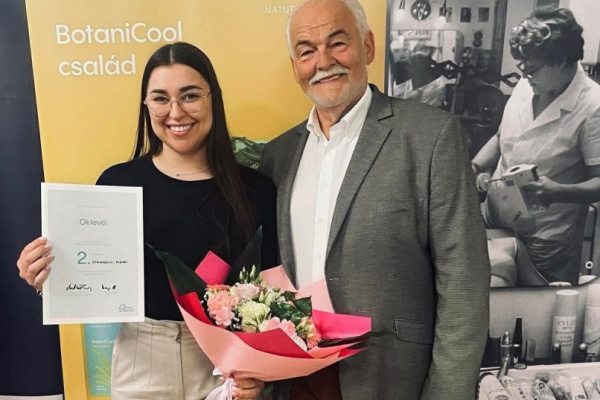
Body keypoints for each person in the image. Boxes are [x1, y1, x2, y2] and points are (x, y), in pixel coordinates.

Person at [16, 42, 277, 400]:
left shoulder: (255, 189)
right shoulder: (118, 184)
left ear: (212, 98)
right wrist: (46, 278)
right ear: (146, 105)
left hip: (227, 367)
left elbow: (274, 293)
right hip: (141, 361)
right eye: (160, 98)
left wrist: (261, 371)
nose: (175, 112)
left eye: (190, 95)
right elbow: (91, 280)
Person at [260, 0, 490, 399]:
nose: (323, 61)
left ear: (367, 46)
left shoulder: (429, 136)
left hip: (391, 378)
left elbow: (464, 283)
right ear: (295, 67)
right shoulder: (278, 155)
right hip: (296, 380)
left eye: (337, 42)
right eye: (307, 51)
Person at [472, 7, 600, 286]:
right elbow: (503, 135)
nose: (525, 74)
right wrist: (477, 165)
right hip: (496, 220)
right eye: (522, 67)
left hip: (545, 240)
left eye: (532, 68)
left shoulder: (592, 106)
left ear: (561, 61)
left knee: (535, 308)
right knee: (489, 295)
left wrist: (558, 192)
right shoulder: (528, 84)